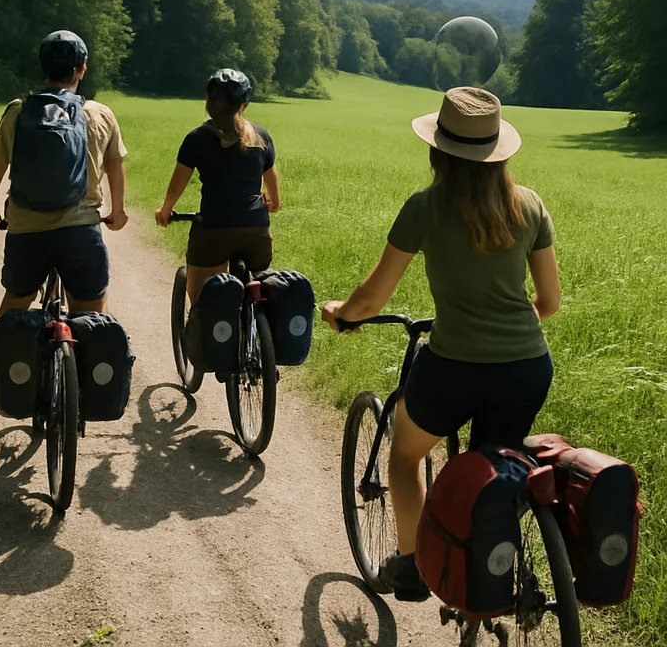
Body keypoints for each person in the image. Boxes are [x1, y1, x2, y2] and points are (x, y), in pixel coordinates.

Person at [321, 87, 560, 602]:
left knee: (406, 456)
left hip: (453, 367)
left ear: (437, 151)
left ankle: (410, 570)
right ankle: (492, 574)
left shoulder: (425, 208)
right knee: (494, 473)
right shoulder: (530, 206)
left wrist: (342, 314)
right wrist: (507, 328)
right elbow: (549, 301)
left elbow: (372, 295)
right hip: (527, 367)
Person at [0, 30, 129, 316]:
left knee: (16, 302)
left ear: (43, 66)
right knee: (91, 313)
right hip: (80, 231)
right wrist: (117, 211)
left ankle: (5, 356)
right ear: (81, 68)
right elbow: (115, 166)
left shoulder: (18, 111)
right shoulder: (99, 114)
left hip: (27, 231)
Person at [155, 68, 281, 308]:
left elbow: (178, 182)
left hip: (214, 229)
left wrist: (165, 210)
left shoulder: (198, 138)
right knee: (259, 290)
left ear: (208, 102)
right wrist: (274, 201)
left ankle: (202, 334)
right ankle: (259, 332)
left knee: (202, 303)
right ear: (244, 105)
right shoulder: (260, 136)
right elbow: (271, 180)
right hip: (257, 230)